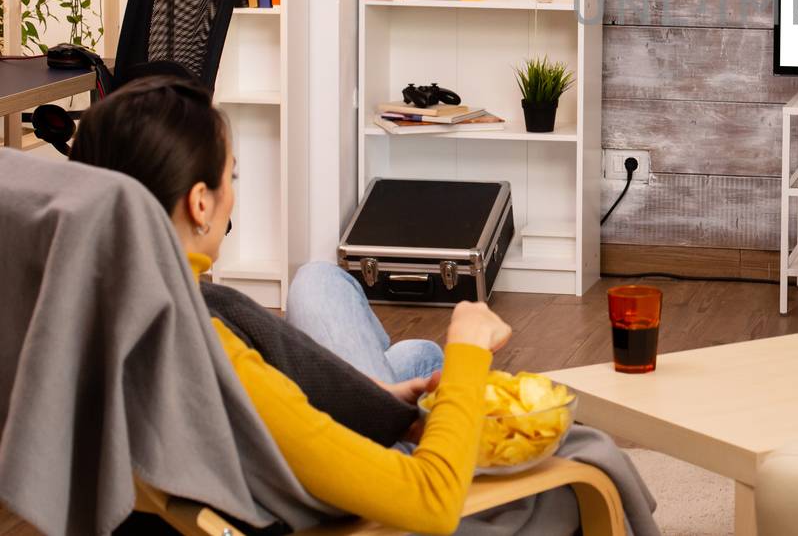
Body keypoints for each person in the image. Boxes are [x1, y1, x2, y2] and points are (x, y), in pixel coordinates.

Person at [69, 76, 508, 533]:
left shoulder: (90, 306)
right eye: (230, 177)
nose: (232, 194)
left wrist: (372, 400)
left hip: (258, 458)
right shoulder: (205, 350)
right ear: (200, 203)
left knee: (334, 294)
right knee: (435, 359)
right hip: (365, 511)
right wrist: (468, 353)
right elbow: (430, 498)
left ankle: (382, 384)